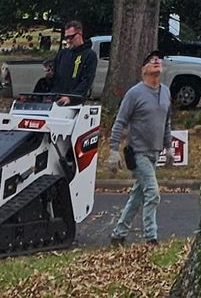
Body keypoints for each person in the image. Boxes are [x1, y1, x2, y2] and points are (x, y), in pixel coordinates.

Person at [108, 49, 175, 245]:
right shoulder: (134, 93)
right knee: (152, 193)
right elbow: (120, 122)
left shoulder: (166, 92)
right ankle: (151, 238)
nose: (156, 62)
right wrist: (113, 151)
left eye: (158, 59)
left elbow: (167, 122)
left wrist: (169, 147)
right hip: (137, 153)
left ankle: (118, 234)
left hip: (155, 152)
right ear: (143, 70)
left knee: (138, 195)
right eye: (151, 60)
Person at [36, 19, 98, 101]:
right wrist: (50, 75)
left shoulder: (89, 55)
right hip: (56, 98)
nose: (68, 40)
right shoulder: (62, 54)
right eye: (66, 37)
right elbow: (54, 80)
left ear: (80, 34)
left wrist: (71, 98)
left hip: (74, 101)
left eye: (71, 37)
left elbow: (86, 81)